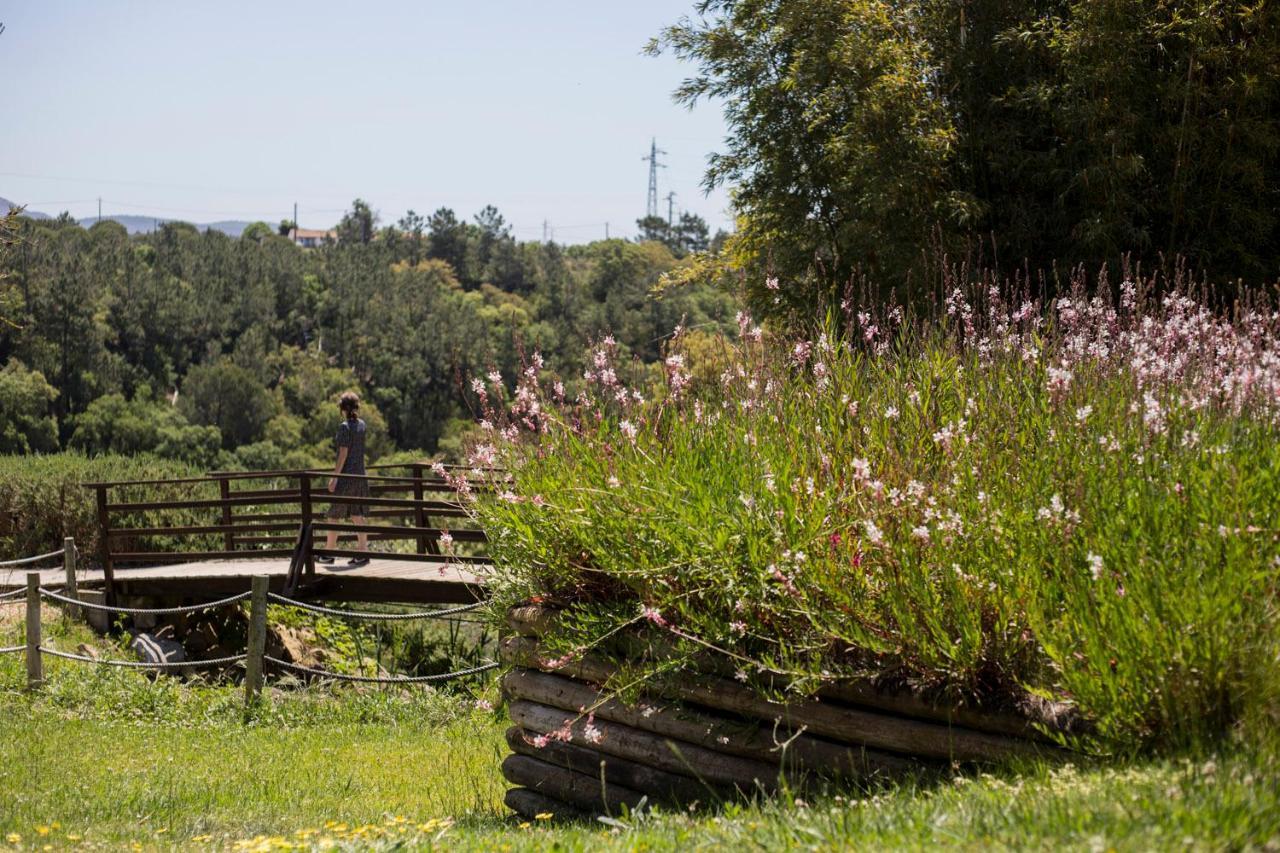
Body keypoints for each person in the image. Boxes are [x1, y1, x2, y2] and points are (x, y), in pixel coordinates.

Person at [316, 391, 370, 567]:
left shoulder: (344, 427)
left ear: (343, 408)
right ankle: (363, 552)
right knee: (357, 514)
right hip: (360, 476)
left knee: (334, 515)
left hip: (346, 477)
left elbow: (343, 454)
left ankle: (329, 553)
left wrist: (334, 477)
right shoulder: (362, 425)